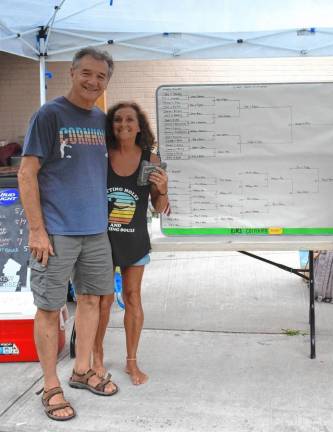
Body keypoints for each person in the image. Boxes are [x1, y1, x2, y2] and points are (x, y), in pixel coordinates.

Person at [18, 47, 118, 422]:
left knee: (92, 301)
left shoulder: (100, 119)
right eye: (87, 73)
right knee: (49, 308)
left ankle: (81, 370)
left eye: (101, 76)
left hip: (95, 231)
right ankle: (50, 385)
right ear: (72, 73)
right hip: (56, 233)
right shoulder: (49, 115)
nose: (93, 81)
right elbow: (27, 173)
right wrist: (37, 230)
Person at [93, 102, 169, 385]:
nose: (123, 124)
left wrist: (162, 189)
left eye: (130, 120)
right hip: (101, 239)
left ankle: (131, 362)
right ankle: (96, 357)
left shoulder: (151, 159)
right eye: (117, 119)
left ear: (140, 127)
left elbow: (159, 207)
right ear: (110, 126)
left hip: (135, 239)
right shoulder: (101, 156)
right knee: (104, 301)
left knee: (133, 297)